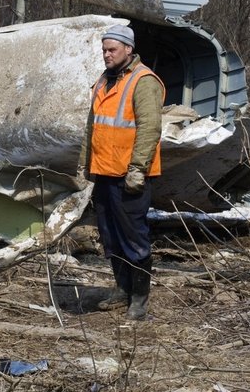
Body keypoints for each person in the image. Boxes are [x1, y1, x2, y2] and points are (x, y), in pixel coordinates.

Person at [77, 25, 163, 320]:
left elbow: (150, 129)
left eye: (112, 50)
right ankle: (122, 289)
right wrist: (86, 165)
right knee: (110, 236)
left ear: (128, 49)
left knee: (133, 237)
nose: (106, 54)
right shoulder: (104, 80)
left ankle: (139, 300)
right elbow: (93, 125)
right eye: (104, 49)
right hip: (104, 172)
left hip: (129, 176)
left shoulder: (143, 81)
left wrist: (138, 169)